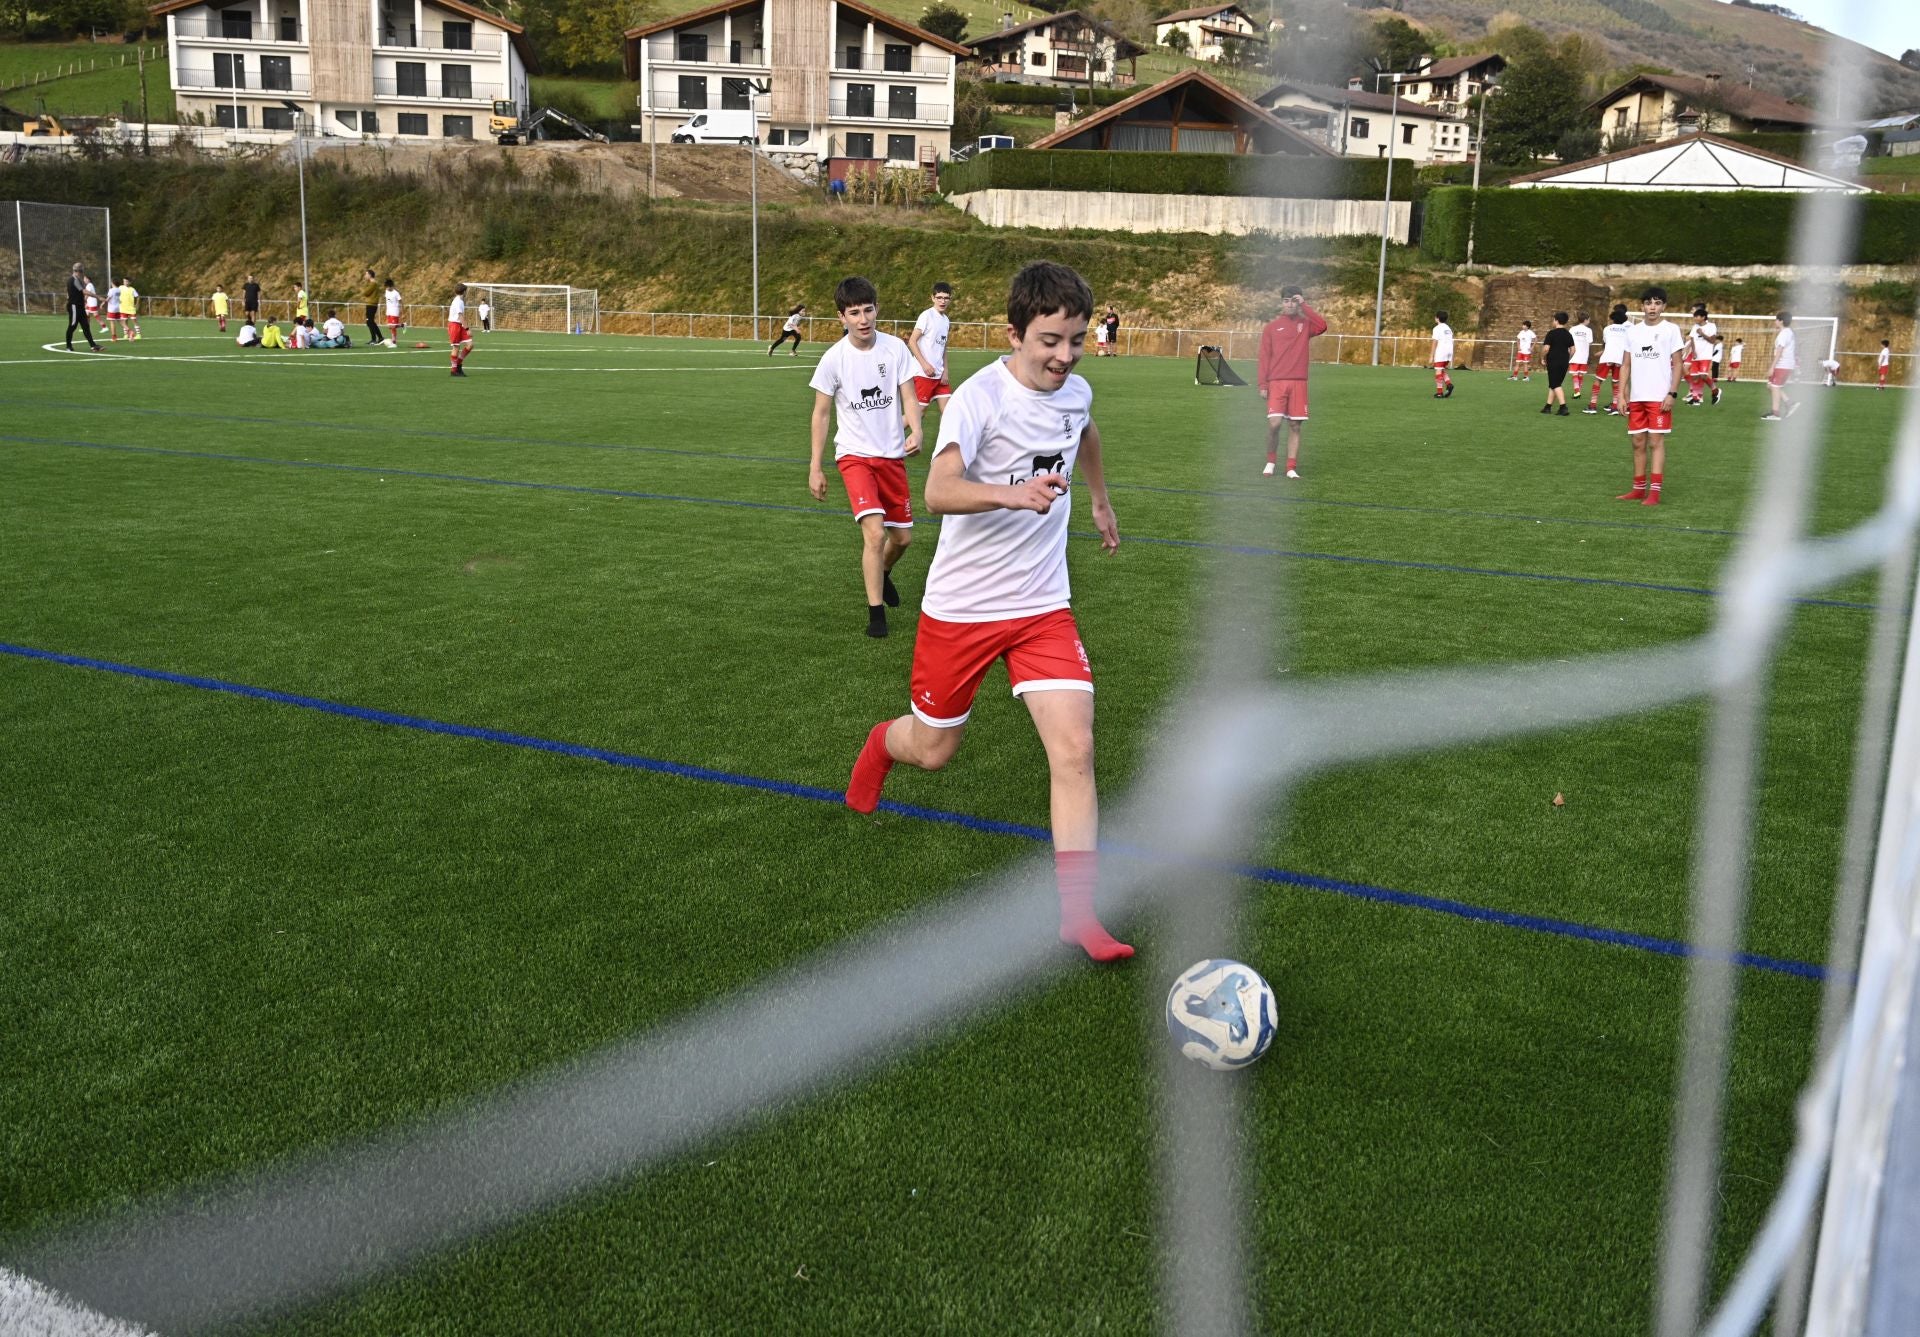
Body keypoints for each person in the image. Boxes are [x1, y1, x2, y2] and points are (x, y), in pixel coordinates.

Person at [843, 260, 1130, 964]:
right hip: (963, 609)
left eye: (1076, 340)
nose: (1065, 355)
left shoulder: (1077, 389)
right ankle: (883, 742)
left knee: (1075, 748)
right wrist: (1015, 495)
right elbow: (939, 489)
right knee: (934, 750)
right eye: (1050, 341)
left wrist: (1097, 497)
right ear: (1014, 333)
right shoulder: (978, 398)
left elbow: (1083, 430)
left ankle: (1078, 915)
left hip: (1041, 606)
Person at [807, 275, 924, 638]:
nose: (863, 319)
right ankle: (876, 616)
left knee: (901, 539)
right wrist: (815, 466)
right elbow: (822, 413)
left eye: (868, 310)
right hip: (854, 456)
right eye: (854, 313)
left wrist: (917, 430)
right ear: (841, 317)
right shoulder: (833, 359)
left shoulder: (895, 348)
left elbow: (909, 395)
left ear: (877, 310)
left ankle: (884, 572)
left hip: (891, 455)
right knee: (874, 535)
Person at [1617, 286, 1685, 505]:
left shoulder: (1671, 330)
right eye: (1648, 303)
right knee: (1637, 442)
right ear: (1642, 306)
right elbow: (1625, 365)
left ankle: (1654, 493)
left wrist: (1672, 393)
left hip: (1659, 397)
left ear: (1663, 306)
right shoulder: (1632, 331)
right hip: (1637, 397)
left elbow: (1678, 364)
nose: (1652, 307)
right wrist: (1621, 394)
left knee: (1656, 441)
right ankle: (1638, 489)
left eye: (1657, 303)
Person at [1256, 284, 1327, 477]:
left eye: (1293, 301)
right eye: (1286, 301)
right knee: (1274, 424)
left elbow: (1322, 326)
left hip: (1298, 383)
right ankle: (1270, 461)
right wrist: (1263, 384)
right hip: (1276, 383)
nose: (1290, 305)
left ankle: (1291, 467)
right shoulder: (1271, 328)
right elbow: (1264, 357)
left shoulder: (1305, 325)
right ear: (1282, 303)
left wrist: (1305, 306)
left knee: (1295, 425)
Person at [907, 281, 954, 417]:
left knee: (948, 414)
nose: (942, 301)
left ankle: (948, 439)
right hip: (923, 374)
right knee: (918, 414)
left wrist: (945, 371)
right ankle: (892, 437)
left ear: (949, 299)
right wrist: (925, 365)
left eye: (946, 298)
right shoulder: (926, 316)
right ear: (933, 298)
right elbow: (912, 341)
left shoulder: (946, 320)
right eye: (939, 297)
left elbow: (943, 347)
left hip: (940, 376)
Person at [1588, 305, 1630, 416]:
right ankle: (1615, 407)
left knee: (1598, 380)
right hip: (1620, 359)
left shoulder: (1607, 329)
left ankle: (1592, 406)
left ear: (1612, 318)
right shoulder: (1627, 331)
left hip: (1607, 357)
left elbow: (1606, 343)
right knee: (1616, 382)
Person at [1762, 312, 1799, 421]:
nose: (1775, 322)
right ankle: (1790, 403)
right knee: (1770, 386)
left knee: (1775, 387)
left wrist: (1772, 367)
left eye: (1776, 320)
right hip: (1786, 364)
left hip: (1782, 364)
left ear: (1781, 321)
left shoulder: (1784, 334)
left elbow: (1779, 351)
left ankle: (1775, 413)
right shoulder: (1788, 332)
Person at [1540, 311, 1574, 416]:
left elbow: (1546, 349)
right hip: (1564, 362)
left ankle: (1563, 407)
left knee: (1555, 384)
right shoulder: (1568, 334)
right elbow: (1573, 350)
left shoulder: (1551, 333)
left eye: (1553, 319)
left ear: (1556, 320)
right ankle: (1548, 407)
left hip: (1553, 361)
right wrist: (1567, 358)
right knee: (1554, 384)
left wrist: (1542, 358)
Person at [1685, 304, 1719, 406]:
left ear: (1703, 317)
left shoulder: (1711, 326)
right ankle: (1696, 399)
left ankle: (1715, 389)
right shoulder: (1694, 326)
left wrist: (1702, 333)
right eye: (1694, 317)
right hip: (1696, 356)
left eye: (1696, 316)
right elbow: (1692, 339)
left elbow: (1712, 341)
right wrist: (1693, 351)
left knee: (1703, 376)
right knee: (1695, 377)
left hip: (1705, 356)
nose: (1695, 318)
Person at [65, 263, 101, 351]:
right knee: (72, 326)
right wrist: (97, 296)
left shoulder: (77, 280)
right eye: (82, 271)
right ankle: (68, 346)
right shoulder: (74, 280)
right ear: (79, 271)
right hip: (74, 306)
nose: (82, 273)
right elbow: (84, 291)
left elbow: (72, 293)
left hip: (80, 306)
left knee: (85, 326)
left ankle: (93, 346)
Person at [448, 283, 475, 376]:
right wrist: (467, 329)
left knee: (470, 345)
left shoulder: (459, 301)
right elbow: (460, 316)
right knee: (456, 347)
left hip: (459, 325)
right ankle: (454, 370)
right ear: (464, 292)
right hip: (455, 325)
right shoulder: (458, 302)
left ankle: (458, 364)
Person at [1430, 310, 1455, 398]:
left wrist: (1431, 355)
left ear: (1437, 318)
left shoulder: (1437, 328)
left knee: (1438, 371)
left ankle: (1439, 392)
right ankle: (1449, 384)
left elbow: (1434, 342)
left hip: (1442, 351)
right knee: (1441, 369)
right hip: (1449, 352)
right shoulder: (1448, 328)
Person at [1568, 311, 1593, 400]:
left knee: (1575, 374)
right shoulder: (1589, 330)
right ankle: (1578, 392)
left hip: (1574, 355)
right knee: (1581, 375)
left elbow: (1569, 343)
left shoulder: (1572, 329)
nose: (1589, 321)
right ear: (1585, 320)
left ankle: (1577, 392)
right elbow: (1589, 342)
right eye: (1589, 319)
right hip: (1584, 356)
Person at [362, 267, 384, 347]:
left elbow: (366, 292)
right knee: (369, 321)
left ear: (370, 275)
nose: (365, 276)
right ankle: (377, 338)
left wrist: (365, 289)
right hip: (371, 304)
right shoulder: (372, 283)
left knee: (370, 321)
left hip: (371, 304)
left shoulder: (373, 283)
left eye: (366, 274)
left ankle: (377, 338)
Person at [382, 279, 403, 347]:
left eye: (387, 287)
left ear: (391, 286)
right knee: (390, 326)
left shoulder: (396, 293)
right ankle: (402, 325)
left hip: (394, 311)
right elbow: (387, 300)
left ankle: (394, 341)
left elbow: (401, 301)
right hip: (388, 311)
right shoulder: (386, 291)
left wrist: (403, 311)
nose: (386, 288)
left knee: (393, 326)